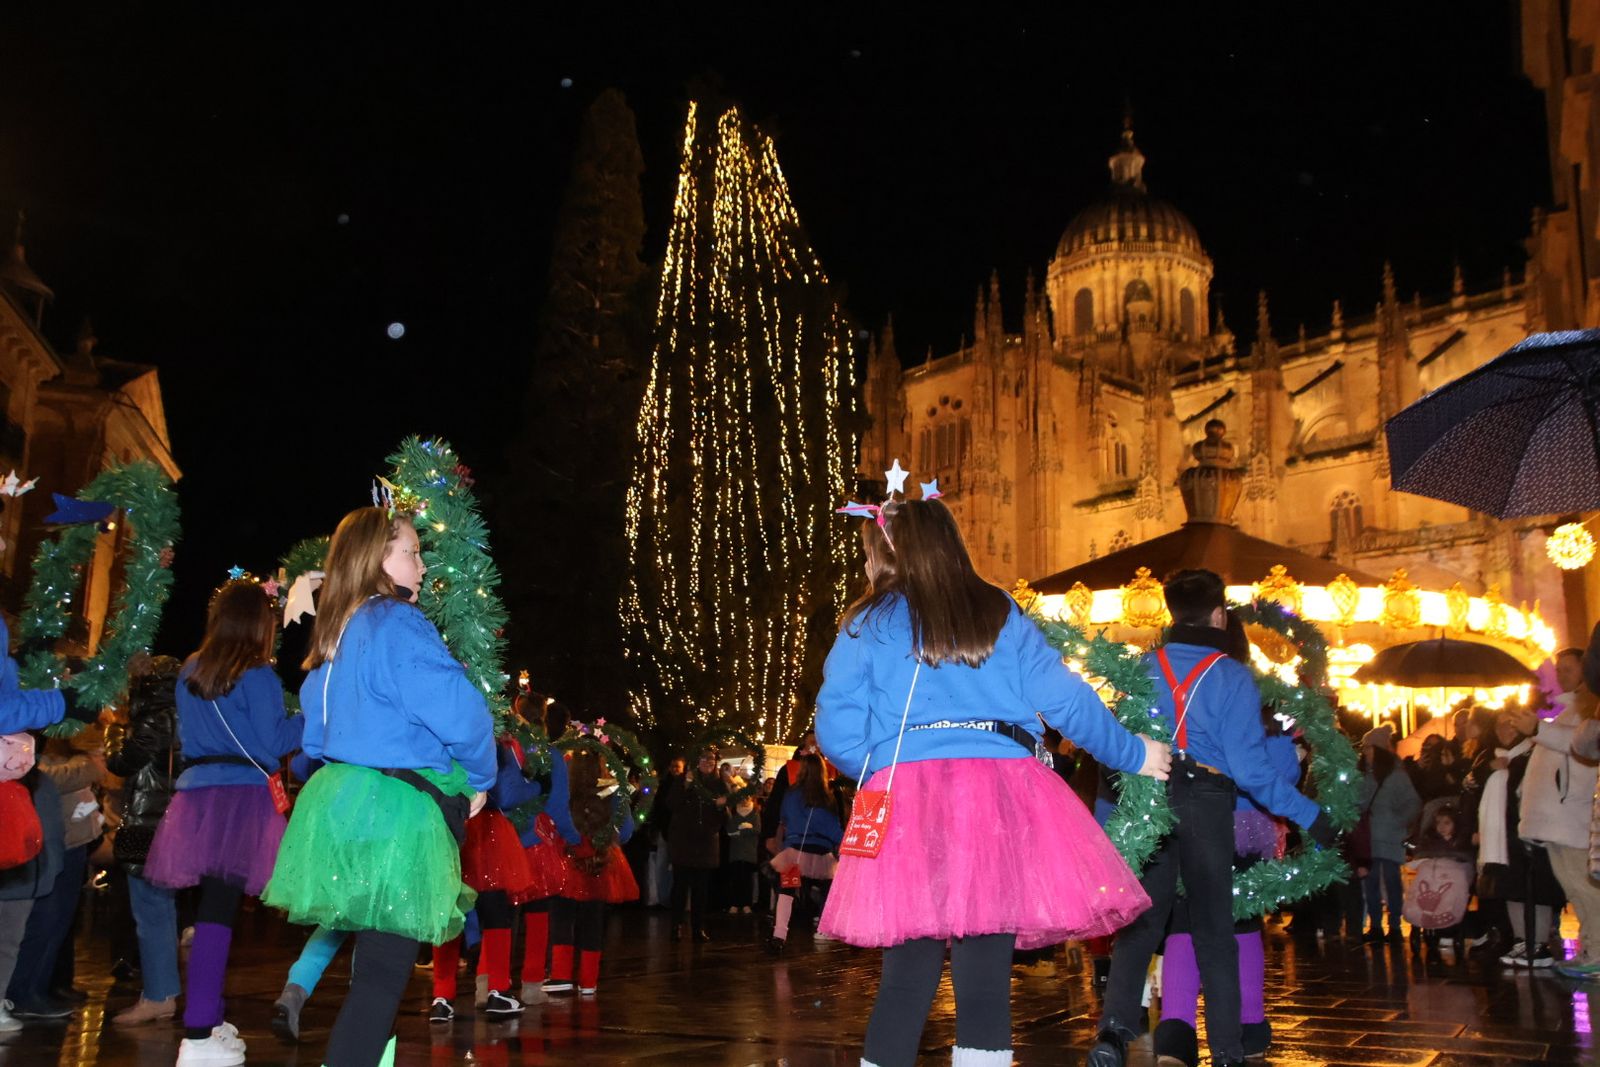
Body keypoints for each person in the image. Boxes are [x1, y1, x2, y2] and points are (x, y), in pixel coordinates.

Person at [817, 493, 1171, 1067]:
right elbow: (1067, 700)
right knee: (985, 980)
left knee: (907, 977)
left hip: (909, 800)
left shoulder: (868, 621)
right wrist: (1134, 753)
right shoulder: (1000, 609)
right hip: (1002, 797)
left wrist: (883, 767)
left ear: (886, 553)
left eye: (866, 556)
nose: (863, 569)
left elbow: (836, 728)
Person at [261, 507, 496, 1067]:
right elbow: (462, 713)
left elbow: (314, 740)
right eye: (411, 551)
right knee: (381, 978)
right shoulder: (399, 622)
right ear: (376, 558)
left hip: (339, 804)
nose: (420, 563)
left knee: (370, 970)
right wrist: (481, 777)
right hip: (398, 811)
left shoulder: (335, 633)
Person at [1091, 569, 1336, 1067]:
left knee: (1141, 926)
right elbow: (1253, 772)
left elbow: (1115, 751)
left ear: (1171, 614)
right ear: (1220, 615)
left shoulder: (1142, 667)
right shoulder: (1230, 675)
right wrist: (1312, 815)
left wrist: (1108, 823)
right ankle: (1226, 1049)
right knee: (1213, 930)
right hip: (1206, 803)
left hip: (1152, 798)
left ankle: (1112, 1035)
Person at [140, 579, 302, 1066]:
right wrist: (312, 719)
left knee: (211, 908)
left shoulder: (191, 667)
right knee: (217, 912)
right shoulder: (258, 675)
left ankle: (208, 1020)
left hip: (195, 796)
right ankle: (199, 1031)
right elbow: (273, 741)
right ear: (258, 624)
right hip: (240, 798)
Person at [1152, 611, 1299, 1067]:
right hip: (1242, 827)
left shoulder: (1168, 685)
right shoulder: (1251, 694)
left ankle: (1175, 1029)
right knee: (1241, 923)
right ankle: (1248, 1025)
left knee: (1184, 918)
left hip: (1185, 816)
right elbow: (1281, 771)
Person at [428, 736, 537, 1022]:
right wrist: (537, 786)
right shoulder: (496, 743)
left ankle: (441, 996)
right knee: (496, 913)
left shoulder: (442, 735)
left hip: (451, 828)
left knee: (449, 912)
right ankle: (498, 990)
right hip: (488, 832)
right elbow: (506, 794)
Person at [105, 656, 184, 1026]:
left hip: (145, 822)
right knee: (163, 910)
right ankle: (163, 990)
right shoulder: (185, 714)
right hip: (174, 823)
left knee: (149, 911)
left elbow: (122, 762)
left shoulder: (154, 720)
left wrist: (110, 748)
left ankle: (157, 995)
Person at [1518, 649, 1600, 970]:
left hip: (1571, 816)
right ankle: (1590, 947)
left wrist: (1538, 729)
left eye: (1570, 668)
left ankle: (1596, 950)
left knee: (1583, 886)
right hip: (1557, 819)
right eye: (1559, 669)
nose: (1562, 674)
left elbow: (1582, 741)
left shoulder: (1589, 706)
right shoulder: (1572, 708)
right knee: (1574, 887)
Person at [543, 747, 637, 996]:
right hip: (599, 858)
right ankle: (588, 981)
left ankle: (561, 975)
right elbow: (626, 829)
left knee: (562, 915)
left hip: (567, 856)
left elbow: (553, 817)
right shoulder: (611, 786)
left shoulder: (564, 786)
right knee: (593, 919)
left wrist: (572, 838)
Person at [517, 698, 578, 1003]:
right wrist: (571, 837)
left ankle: (488, 983)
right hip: (537, 840)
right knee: (538, 911)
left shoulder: (510, 748)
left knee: (498, 914)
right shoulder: (550, 755)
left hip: (503, 839)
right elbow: (558, 804)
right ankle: (530, 983)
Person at [766, 752, 841, 953]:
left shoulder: (790, 794)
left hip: (794, 850)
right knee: (829, 886)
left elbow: (784, 818)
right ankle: (823, 928)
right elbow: (832, 828)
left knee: (787, 891)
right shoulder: (826, 797)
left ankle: (779, 935)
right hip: (820, 851)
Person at [1355, 725, 1420, 945]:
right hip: (1370, 839)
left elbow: (1413, 803)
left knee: (1392, 882)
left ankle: (1393, 925)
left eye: (1369, 748)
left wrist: (1398, 821)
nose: (1365, 752)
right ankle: (1375, 925)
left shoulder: (1396, 776)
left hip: (1390, 838)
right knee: (1370, 884)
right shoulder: (1363, 775)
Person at [667, 747, 728, 943]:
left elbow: (726, 816)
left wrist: (722, 806)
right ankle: (676, 925)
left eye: (711, 759)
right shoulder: (684, 780)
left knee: (701, 890)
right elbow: (671, 804)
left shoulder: (719, 784)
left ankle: (697, 927)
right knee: (680, 887)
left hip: (706, 843)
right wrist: (686, 784)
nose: (708, 762)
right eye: (704, 759)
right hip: (684, 842)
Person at [724, 790, 761, 915]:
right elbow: (730, 830)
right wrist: (745, 829)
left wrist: (740, 831)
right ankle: (734, 903)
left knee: (747, 878)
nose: (744, 800)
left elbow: (756, 829)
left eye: (747, 797)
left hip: (750, 851)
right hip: (735, 850)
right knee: (735, 877)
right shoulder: (733, 812)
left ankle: (746, 903)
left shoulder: (755, 812)